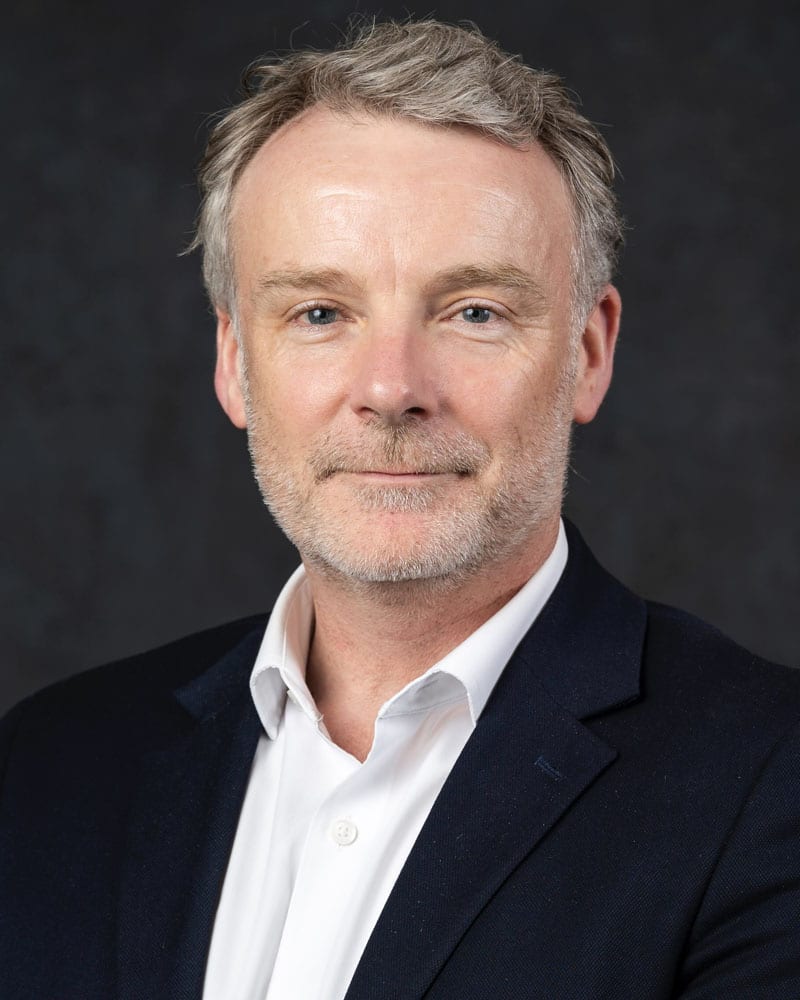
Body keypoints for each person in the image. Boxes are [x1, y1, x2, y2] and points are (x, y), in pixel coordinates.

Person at [1, 18, 798, 1000]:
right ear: (234, 361)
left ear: (587, 354)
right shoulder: (46, 769)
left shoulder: (768, 784)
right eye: (320, 314)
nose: (389, 388)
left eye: (472, 311)